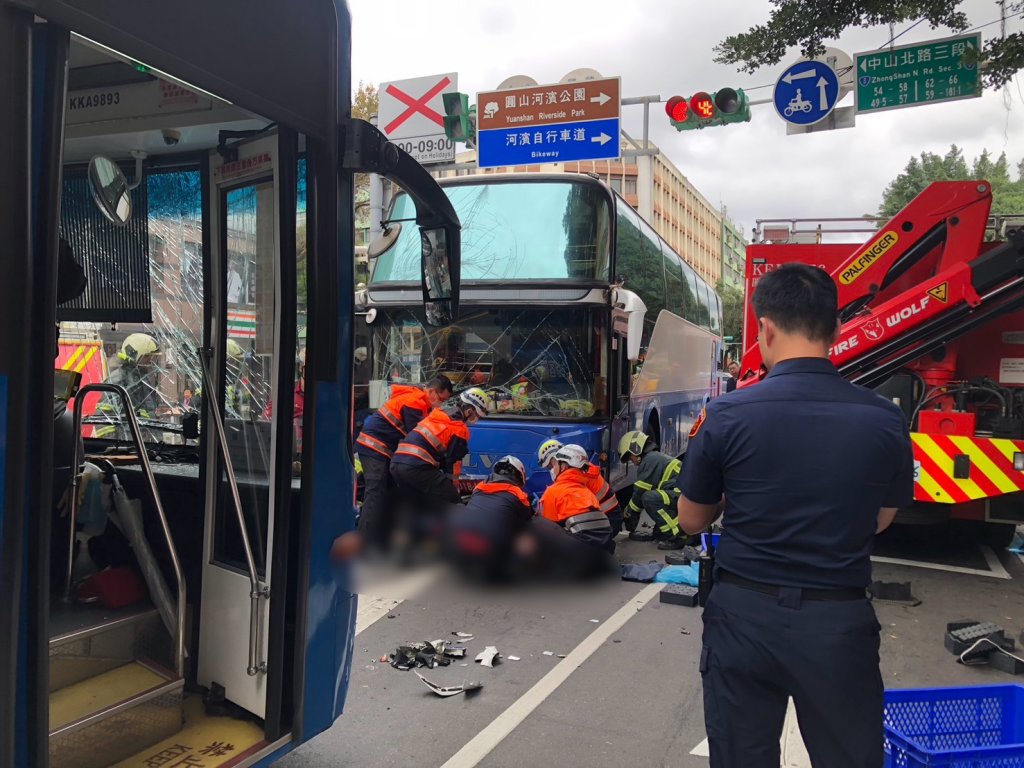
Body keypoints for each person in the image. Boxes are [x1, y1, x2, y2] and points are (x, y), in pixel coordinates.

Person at [675, 263, 914, 768]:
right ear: (837, 329)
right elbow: (882, 519)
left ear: (765, 328)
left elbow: (692, 520)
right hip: (837, 622)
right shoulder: (884, 418)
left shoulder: (729, 413)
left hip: (744, 616)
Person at [354, 375, 454, 551]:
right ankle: (364, 541)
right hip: (373, 448)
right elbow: (417, 436)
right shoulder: (415, 402)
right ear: (431, 392)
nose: (441, 405)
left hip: (380, 450)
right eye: (441, 399)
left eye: (445, 401)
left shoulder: (419, 402)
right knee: (376, 491)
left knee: (389, 492)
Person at [446, 455, 533, 582]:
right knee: (528, 532)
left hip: (461, 540)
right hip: (493, 548)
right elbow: (527, 519)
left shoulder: (479, 487)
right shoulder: (519, 494)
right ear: (519, 476)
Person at [531, 444, 614, 575]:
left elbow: (545, 530)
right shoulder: (587, 492)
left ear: (563, 466)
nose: (552, 469)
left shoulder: (553, 492)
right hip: (604, 555)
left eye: (555, 465)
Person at [618, 430, 687, 549]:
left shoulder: (649, 460)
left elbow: (639, 493)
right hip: (683, 495)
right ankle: (678, 531)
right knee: (659, 532)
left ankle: (677, 536)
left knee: (649, 498)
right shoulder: (654, 457)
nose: (632, 462)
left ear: (636, 449)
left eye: (630, 457)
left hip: (682, 495)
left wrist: (628, 513)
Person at [538, 440, 623, 536]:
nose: (552, 470)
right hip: (607, 520)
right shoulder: (581, 468)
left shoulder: (579, 475)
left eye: (551, 465)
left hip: (605, 521)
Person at [95, 332, 162, 437]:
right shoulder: (117, 380)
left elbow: (149, 415)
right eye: (147, 357)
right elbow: (103, 421)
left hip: (143, 446)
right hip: (127, 448)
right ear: (133, 354)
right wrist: (114, 447)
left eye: (151, 358)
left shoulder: (142, 381)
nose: (150, 361)